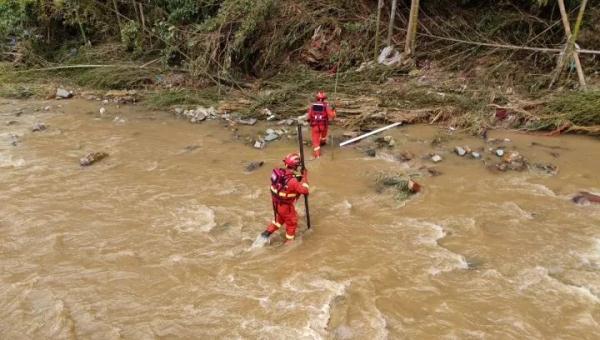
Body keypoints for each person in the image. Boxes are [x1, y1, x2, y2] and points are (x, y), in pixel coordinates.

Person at [261, 153, 309, 243]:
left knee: (278, 220)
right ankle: (289, 244)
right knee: (292, 224)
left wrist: (299, 178)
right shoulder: (293, 181)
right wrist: (305, 177)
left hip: (276, 204)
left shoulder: (280, 173)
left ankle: (265, 235)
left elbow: (285, 185)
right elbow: (305, 190)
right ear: (295, 166)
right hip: (286, 206)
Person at [307, 91, 336, 158]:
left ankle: (317, 156)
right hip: (324, 126)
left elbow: (308, 117)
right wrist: (334, 112)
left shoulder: (312, 106)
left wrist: (310, 121)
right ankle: (323, 143)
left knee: (315, 141)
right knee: (323, 136)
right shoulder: (326, 106)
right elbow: (332, 115)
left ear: (316, 98)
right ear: (324, 99)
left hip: (315, 126)